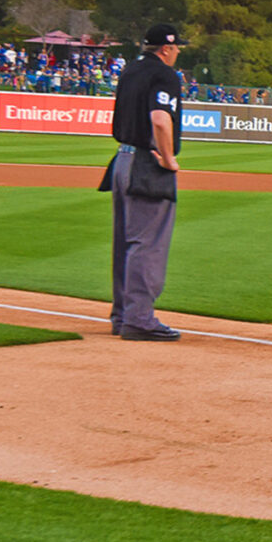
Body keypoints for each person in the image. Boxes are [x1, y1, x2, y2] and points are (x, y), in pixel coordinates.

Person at [102, 23, 184, 341]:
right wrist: (169, 158)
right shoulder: (164, 75)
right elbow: (160, 119)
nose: (177, 53)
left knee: (125, 242)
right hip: (146, 164)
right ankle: (138, 318)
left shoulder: (131, 70)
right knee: (148, 243)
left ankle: (123, 315)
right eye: (176, 47)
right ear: (166, 48)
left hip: (122, 160)